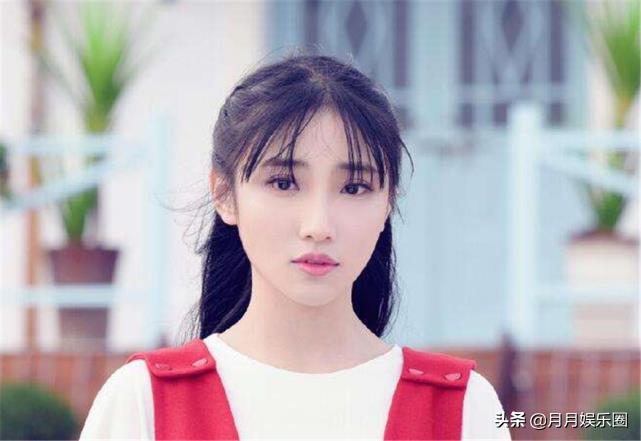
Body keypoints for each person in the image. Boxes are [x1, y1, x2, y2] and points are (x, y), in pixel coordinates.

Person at [79, 53, 511, 440]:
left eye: (354, 187)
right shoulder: (142, 403)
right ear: (224, 193)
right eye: (284, 182)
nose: (318, 226)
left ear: (388, 203)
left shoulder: (464, 410)